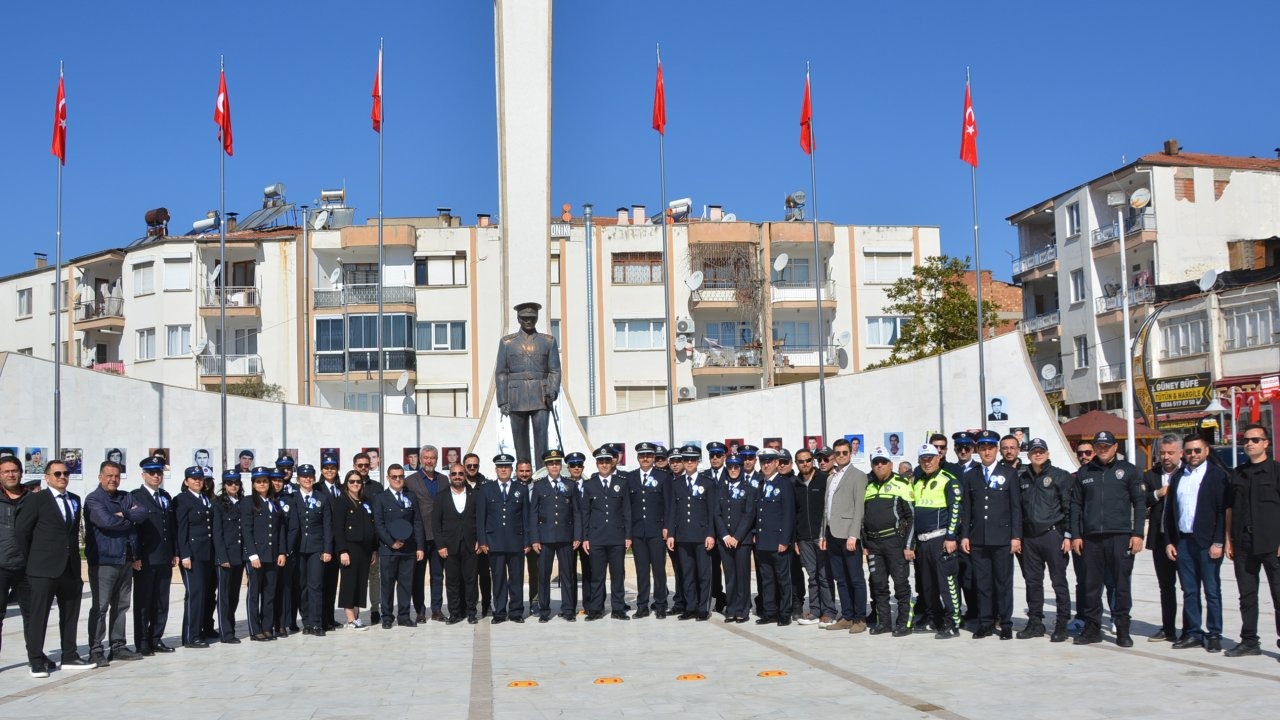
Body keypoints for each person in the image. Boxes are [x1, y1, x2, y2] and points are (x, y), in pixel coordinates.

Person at [17, 460, 97, 675]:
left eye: (66, 473)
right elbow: (22, 533)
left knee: (70, 614)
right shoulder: (36, 500)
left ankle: (69, 655)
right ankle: (35, 659)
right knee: (38, 616)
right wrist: (33, 559)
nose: (62, 477)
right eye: (58, 473)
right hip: (42, 569)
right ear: (47, 477)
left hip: (69, 568)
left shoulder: (74, 499)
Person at [1070, 430, 1145, 647]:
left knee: (1121, 585)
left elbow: (1139, 503)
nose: (1102, 449)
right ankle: (1092, 629)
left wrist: (1138, 533)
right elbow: (1075, 505)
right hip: (1091, 538)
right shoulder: (1085, 472)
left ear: (1115, 447)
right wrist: (1076, 535)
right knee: (1091, 586)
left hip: (1120, 536)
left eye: (1106, 446)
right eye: (1099, 446)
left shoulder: (1128, 471)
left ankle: (1122, 629)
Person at [1163, 433, 1228, 653]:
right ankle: (1193, 632)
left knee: (1211, 590)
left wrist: (1219, 541)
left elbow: (1221, 512)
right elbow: (1170, 512)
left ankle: (1214, 633)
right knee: (1189, 590)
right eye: (1189, 451)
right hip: (1184, 542)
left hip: (1207, 542)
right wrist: (1170, 540)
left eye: (1197, 450)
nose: (1193, 454)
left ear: (1206, 451)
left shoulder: (1216, 475)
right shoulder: (1179, 476)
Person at [1225, 423, 1280, 658]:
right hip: (1243, 543)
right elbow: (1229, 509)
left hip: (1272, 544)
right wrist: (1228, 539)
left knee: (1279, 595)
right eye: (1246, 439)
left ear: (1266, 443)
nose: (1249, 443)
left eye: (1255, 440)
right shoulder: (1238, 473)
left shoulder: (1277, 471)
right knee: (1247, 596)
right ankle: (1249, 641)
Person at [961, 431, 1022, 640]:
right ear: (978, 451)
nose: (987, 452)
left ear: (996, 450)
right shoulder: (971, 475)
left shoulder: (1010, 473)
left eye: (990, 448)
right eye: (983, 448)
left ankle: (1005, 623)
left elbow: (1016, 508)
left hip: (1003, 539)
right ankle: (985, 622)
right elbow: (967, 509)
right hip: (978, 539)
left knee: (1003, 583)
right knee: (983, 583)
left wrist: (1016, 537)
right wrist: (965, 536)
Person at [1016, 438, 1074, 642]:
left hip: (1053, 535)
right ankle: (1035, 622)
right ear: (1029, 455)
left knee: (1058, 581)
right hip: (1030, 538)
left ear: (1048, 453)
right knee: (1032, 582)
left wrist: (1068, 535)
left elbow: (1069, 507)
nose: (1037, 454)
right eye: (1034, 451)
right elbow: (1018, 510)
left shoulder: (1060, 476)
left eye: (1041, 451)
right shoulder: (1022, 478)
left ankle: (1061, 623)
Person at [83, 458, 140, 664]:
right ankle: (96, 650)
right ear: (100, 477)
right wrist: (128, 517)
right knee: (100, 607)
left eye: (116, 476)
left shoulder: (126, 497)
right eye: (109, 476)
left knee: (122, 605)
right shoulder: (93, 499)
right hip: (104, 561)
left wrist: (122, 514)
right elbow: (105, 522)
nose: (113, 480)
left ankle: (118, 646)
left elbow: (141, 514)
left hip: (125, 559)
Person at [495, 301, 561, 466]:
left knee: (542, 439)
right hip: (516, 397)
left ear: (537, 317)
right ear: (518, 318)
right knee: (520, 440)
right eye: (525, 318)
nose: (528, 321)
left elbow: (555, 370)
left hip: (541, 396)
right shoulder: (507, 342)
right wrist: (503, 401)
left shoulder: (548, 341)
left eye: (532, 317)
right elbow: (501, 372)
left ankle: (541, 475)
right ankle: (523, 476)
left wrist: (552, 391)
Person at [911, 443, 963, 638]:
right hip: (922, 541)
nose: (927, 462)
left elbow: (956, 510)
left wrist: (951, 536)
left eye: (931, 458)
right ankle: (934, 618)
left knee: (947, 583)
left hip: (940, 539)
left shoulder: (948, 480)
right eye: (923, 459)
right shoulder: (917, 481)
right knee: (927, 584)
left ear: (938, 458)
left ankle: (953, 622)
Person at [862, 447, 914, 636]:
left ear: (891, 464)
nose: (880, 465)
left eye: (883, 462)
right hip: (874, 544)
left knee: (901, 585)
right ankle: (883, 622)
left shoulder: (901, 483)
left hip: (895, 542)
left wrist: (909, 545)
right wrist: (865, 543)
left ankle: (905, 623)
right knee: (879, 585)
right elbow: (862, 517)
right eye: (876, 462)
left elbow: (911, 516)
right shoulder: (867, 485)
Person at [820, 438, 869, 634]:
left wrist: (853, 535)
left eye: (844, 453)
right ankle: (847, 616)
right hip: (832, 533)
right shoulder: (831, 477)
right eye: (837, 453)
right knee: (840, 578)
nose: (841, 456)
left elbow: (859, 508)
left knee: (855, 577)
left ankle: (859, 618)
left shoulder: (858, 476)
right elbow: (826, 508)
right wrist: (823, 534)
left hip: (849, 535)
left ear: (850, 454)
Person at [476, 453, 530, 623]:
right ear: (496, 469)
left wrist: (527, 540)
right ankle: (499, 612)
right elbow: (481, 518)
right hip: (495, 542)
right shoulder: (486, 489)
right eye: (500, 467)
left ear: (511, 469)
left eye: (506, 466)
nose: (503, 469)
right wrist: (483, 541)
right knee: (498, 579)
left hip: (516, 542)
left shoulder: (521, 489)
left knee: (516, 579)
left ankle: (516, 612)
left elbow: (526, 517)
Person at [131, 455, 176, 657]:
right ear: (143, 475)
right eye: (151, 472)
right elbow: (133, 530)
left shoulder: (165, 496)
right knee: (143, 602)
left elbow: (171, 527)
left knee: (161, 601)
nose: (156, 476)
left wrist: (174, 552)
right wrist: (135, 555)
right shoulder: (135, 497)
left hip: (164, 557)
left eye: (159, 472)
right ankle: (142, 642)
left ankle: (156, 638)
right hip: (146, 558)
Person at [580, 446, 631, 620]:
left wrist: (628, 536)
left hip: (617, 537)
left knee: (617, 575)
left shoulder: (621, 483)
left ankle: (618, 608)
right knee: (597, 576)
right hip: (597, 538)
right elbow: (585, 513)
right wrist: (585, 537)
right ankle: (596, 609)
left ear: (612, 462)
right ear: (596, 464)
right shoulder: (589, 485)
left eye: (607, 461)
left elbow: (627, 512)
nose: (604, 464)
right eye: (601, 462)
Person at [372, 464, 426, 629]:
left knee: (405, 584)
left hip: (408, 549)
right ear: (388, 478)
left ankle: (403, 616)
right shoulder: (381, 498)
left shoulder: (411, 496)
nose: (398, 479)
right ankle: (387, 617)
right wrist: (391, 542)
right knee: (387, 584)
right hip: (389, 550)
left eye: (400, 476)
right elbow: (379, 524)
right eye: (394, 477)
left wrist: (420, 547)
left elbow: (417, 522)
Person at [1142, 434, 1183, 643]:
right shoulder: (1151, 475)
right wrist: (1158, 493)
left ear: (1180, 453)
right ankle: (1168, 628)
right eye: (1163, 453)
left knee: (1189, 587)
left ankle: (1191, 630)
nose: (1166, 457)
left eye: (1170, 453)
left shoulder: (1188, 473)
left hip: (1184, 539)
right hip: (1159, 538)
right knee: (1166, 586)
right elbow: (1141, 500)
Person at [530, 449, 579, 622]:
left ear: (561, 465)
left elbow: (577, 513)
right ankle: (544, 610)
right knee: (544, 576)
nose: (554, 466)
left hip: (566, 537)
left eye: (557, 463)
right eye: (551, 463)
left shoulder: (570, 485)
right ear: (546, 466)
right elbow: (533, 514)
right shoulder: (538, 485)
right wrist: (535, 539)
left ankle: (568, 610)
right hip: (545, 538)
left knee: (567, 575)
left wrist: (577, 536)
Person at [668, 445, 715, 621]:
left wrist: (711, 534)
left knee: (703, 574)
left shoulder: (707, 482)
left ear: (697, 461)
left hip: (702, 535)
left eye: (692, 459)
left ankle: (703, 608)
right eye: (685, 459)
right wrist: (671, 534)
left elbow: (712, 511)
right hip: (682, 535)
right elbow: (673, 511)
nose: (688, 463)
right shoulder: (677, 483)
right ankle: (690, 607)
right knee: (686, 574)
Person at [241, 467, 286, 641]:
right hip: (257, 556)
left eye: (265, 481)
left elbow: (280, 529)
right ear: (253, 484)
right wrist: (252, 555)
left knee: (269, 593)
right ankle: (254, 629)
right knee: (254, 593)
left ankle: (267, 627)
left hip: (272, 554)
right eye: (258, 481)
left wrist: (281, 551)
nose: (262, 484)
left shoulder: (273, 502)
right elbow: (246, 529)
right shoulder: (248, 501)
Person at [172, 465, 215, 649]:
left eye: (200, 478)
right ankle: (191, 636)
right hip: (193, 554)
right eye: (193, 478)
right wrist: (184, 554)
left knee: (205, 593)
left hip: (207, 553)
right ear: (186, 481)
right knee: (195, 594)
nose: (197, 481)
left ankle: (202, 630)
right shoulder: (182, 500)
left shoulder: (206, 499)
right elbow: (181, 529)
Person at [288, 464, 333, 636]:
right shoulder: (292, 498)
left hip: (316, 548)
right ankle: (306, 621)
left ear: (314, 478)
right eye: (304, 476)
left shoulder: (322, 498)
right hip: (298, 548)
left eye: (310, 476)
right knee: (301, 586)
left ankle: (316, 623)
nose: (307, 479)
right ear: (298, 479)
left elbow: (327, 526)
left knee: (316, 585)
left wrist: (327, 549)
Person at [793, 448, 835, 626]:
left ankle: (829, 611)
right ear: (797, 463)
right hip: (804, 538)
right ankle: (815, 610)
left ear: (813, 461)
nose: (805, 464)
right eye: (801, 461)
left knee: (824, 575)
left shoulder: (825, 480)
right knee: (812, 576)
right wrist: (795, 538)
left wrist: (827, 534)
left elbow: (829, 509)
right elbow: (794, 513)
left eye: (808, 460)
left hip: (822, 537)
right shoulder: (795, 483)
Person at [627, 442, 669, 619]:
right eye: (642, 456)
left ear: (653, 458)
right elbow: (627, 508)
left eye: (649, 456)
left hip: (657, 531)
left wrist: (667, 527)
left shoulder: (663, 477)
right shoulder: (630, 478)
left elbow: (668, 505)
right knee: (641, 571)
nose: (645, 459)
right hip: (638, 533)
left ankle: (660, 605)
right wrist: (628, 534)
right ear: (637, 458)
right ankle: (642, 605)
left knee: (659, 570)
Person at [755, 449, 796, 626]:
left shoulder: (784, 484)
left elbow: (788, 514)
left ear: (776, 463)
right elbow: (758, 513)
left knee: (783, 579)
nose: (766, 465)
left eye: (769, 461)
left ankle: (785, 612)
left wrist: (784, 540)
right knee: (767, 579)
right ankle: (769, 611)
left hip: (778, 541)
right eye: (763, 462)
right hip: (763, 542)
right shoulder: (760, 484)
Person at [433, 463, 479, 624]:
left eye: (461, 473)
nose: (458, 476)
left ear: (465, 475)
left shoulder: (475, 494)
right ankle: (455, 612)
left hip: (471, 544)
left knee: (471, 581)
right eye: (454, 474)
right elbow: (435, 524)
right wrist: (440, 545)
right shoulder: (441, 496)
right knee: (452, 581)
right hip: (449, 546)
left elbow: (480, 520)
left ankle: (471, 612)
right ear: (449, 476)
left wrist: (480, 540)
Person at [404, 445, 445, 624]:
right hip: (419, 538)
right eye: (426, 457)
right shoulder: (410, 481)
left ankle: (436, 609)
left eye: (432, 458)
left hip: (439, 537)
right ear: (421, 459)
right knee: (418, 577)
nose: (429, 461)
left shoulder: (444, 480)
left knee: (438, 575)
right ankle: (420, 611)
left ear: (437, 460)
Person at [715, 454, 757, 623]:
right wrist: (725, 535)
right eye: (730, 467)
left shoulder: (749, 489)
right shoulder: (720, 489)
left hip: (742, 541)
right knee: (730, 576)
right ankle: (731, 608)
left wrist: (737, 537)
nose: (733, 470)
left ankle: (743, 609)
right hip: (725, 541)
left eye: (737, 467)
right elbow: (716, 514)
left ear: (741, 468)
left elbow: (749, 515)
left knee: (742, 576)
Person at [331, 470, 375, 629]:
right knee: (349, 582)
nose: (355, 484)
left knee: (361, 582)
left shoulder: (366, 501)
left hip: (365, 549)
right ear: (346, 484)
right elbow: (338, 528)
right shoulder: (342, 501)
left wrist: (374, 549)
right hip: (349, 548)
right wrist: (342, 550)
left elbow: (372, 525)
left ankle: (356, 616)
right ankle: (350, 619)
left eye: (358, 481)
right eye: (352, 481)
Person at [0, 456, 31, 668]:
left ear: (21, 472)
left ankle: (35, 658)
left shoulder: (33, 498)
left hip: (28, 568)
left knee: (33, 616)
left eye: (14, 470)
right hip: (0, 567)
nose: (11, 474)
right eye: (6, 471)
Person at [212, 469, 244, 643]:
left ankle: (230, 626)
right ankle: (226, 632)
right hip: (225, 557)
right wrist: (222, 557)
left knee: (234, 595)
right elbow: (217, 533)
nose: (234, 486)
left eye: (237, 483)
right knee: (224, 596)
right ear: (224, 485)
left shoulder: (242, 502)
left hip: (239, 556)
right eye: (230, 483)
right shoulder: (218, 504)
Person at [317, 454, 344, 630]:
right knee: (321, 582)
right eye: (326, 468)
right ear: (322, 470)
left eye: (332, 468)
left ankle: (330, 616)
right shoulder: (316, 488)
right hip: (322, 543)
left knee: (333, 582)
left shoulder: (342, 488)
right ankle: (321, 618)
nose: (329, 471)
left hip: (338, 543)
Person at [515, 460, 541, 613]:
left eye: (527, 471)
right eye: (521, 471)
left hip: (535, 536)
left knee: (535, 572)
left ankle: (535, 602)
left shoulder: (538, 487)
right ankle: (516, 604)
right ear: (516, 471)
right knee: (516, 573)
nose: (524, 474)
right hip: (516, 537)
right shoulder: (511, 487)